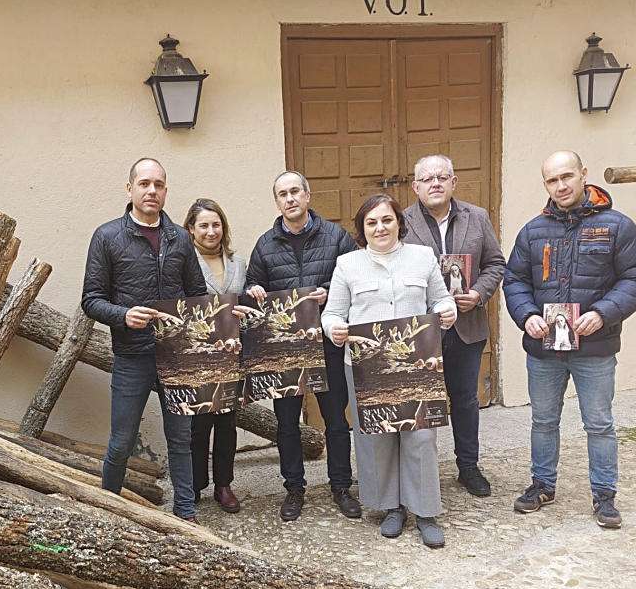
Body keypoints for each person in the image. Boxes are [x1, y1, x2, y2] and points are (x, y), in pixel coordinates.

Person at [503, 150, 636, 529]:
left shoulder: (618, 226)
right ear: (545, 185)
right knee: (543, 420)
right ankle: (542, 485)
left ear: (583, 174)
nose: (561, 186)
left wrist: (603, 312)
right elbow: (515, 279)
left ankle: (604, 495)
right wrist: (528, 316)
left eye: (567, 176)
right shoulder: (533, 231)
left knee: (599, 423)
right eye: (552, 180)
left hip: (595, 347)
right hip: (543, 349)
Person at [322, 194, 457, 547]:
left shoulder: (422, 257)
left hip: (416, 364)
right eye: (371, 222)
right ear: (362, 229)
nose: (380, 228)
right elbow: (333, 313)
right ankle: (392, 507)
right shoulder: (347, 264)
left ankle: (425, 511)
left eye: (386, 220)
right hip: (367, 367)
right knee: (377, 439)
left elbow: (439, 299)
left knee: (420, 436)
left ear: (399, 222)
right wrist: (334, 328)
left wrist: (447, 310)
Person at [81, 158, 207, 522]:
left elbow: (197, 294)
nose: (152, 191)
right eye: (144, 184)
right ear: (130, 189)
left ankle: (186, 512)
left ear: (166, 190)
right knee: (121, 441)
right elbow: (91, 299)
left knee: (181, 440)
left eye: (159, 185)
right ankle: (110, 512)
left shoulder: (180, 238)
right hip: (132, 356)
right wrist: (123, 315)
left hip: (176, 356)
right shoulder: (107, 237)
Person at [245, 171, 360, 522]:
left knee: (335, 419)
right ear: (277, 201)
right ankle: (294, 488)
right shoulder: (265, 244)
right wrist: (254, 292)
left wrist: (331, 291)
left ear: (308, 196)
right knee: (286, 423)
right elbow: (253, 284)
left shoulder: (336, 237)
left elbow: (357, 275)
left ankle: (341, 486)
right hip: (285, 349)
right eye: (283, 194)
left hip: (326, 343)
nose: (290, 198)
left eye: (296, 191)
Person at [403, 154, 506, 498]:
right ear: (415, 187)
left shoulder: (477, 218)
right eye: (427, 179)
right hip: (422, 330)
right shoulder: (401, 222)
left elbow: (495, 263)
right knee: (419, 403)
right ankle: (421, 474)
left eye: (442, 177)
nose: (435, 183)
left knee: (464, 399)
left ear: (453, 182)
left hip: (466, 326)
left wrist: (478, 293)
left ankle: (468, 467)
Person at [184, 198, 246, 514]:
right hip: (197, 357)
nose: (211, 231)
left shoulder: (239, 263)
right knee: (197, 425)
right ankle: (194, 486)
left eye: (216, 224)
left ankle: (223, 485)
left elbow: (245, 305)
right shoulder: (183, 262)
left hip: (231, 356)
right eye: (204, 225)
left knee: (226, 423)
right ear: (191, 230)